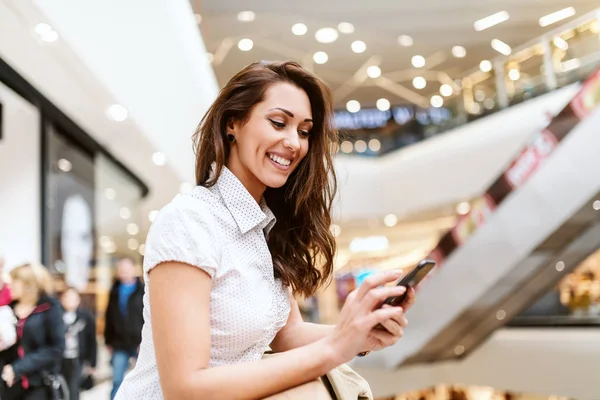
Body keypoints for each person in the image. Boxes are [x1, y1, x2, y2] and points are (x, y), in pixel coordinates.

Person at [115, 61, 415, 399]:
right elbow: (186, 388)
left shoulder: (266, 228)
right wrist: (335, 347)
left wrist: (360, 333)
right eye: (278, 123)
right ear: (233, 123)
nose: (294, 143)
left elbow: (287, 335)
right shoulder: (190, 221)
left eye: (304, 131)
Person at [0, 263, 65, 400]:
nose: (9, 286)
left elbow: (56, 348)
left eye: (14, 282)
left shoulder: (49, 308)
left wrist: (17, 368)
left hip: (38, 382)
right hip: (9, 383)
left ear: (28, 285)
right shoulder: (8, 309)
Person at [104, 257, 144, 399]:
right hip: (119, 344)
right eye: (121, 269)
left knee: (143, 379)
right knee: (117, 380)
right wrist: (108, 341)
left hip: (140, 343)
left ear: (133, 270)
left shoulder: (143, 291)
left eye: (126, 269)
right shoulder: (114, 291)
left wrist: (145, 341)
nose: (123, 272)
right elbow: (108, 317)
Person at [60, 287, 97, 400]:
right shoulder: (56, 316)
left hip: (77, 359)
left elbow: (92, 340)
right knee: (61, 387)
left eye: (73, 298)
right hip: (60, 359)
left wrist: (93, 363)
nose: (70, 301)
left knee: (73, 388)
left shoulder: (85, 317)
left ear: (78, 300)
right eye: (67, 297)